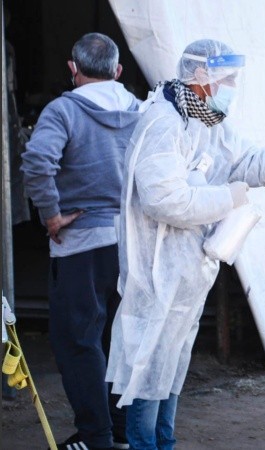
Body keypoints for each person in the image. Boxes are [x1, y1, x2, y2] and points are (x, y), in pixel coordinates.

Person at [105, 39, 265, 449]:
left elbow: (248, 163)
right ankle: (144, 444)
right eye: (228, 79)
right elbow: (163, 199)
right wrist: (228, 197)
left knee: (170, 367)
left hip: (189, 272)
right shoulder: (164, 123)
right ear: (202, 76)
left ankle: (163, 443)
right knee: (150, 366)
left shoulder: (208, 122)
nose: (233, 87)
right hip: (158, 273)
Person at [20, 32, 140, 450]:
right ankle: (121, 432)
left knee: (78, 342)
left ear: (73, 69)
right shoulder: (139, 110)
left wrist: (51, 214)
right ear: (118, 71)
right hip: (130, 244)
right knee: (118, 339)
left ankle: (95, 437)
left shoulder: (63, 111)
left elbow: (37, 160)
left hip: (80, 246)